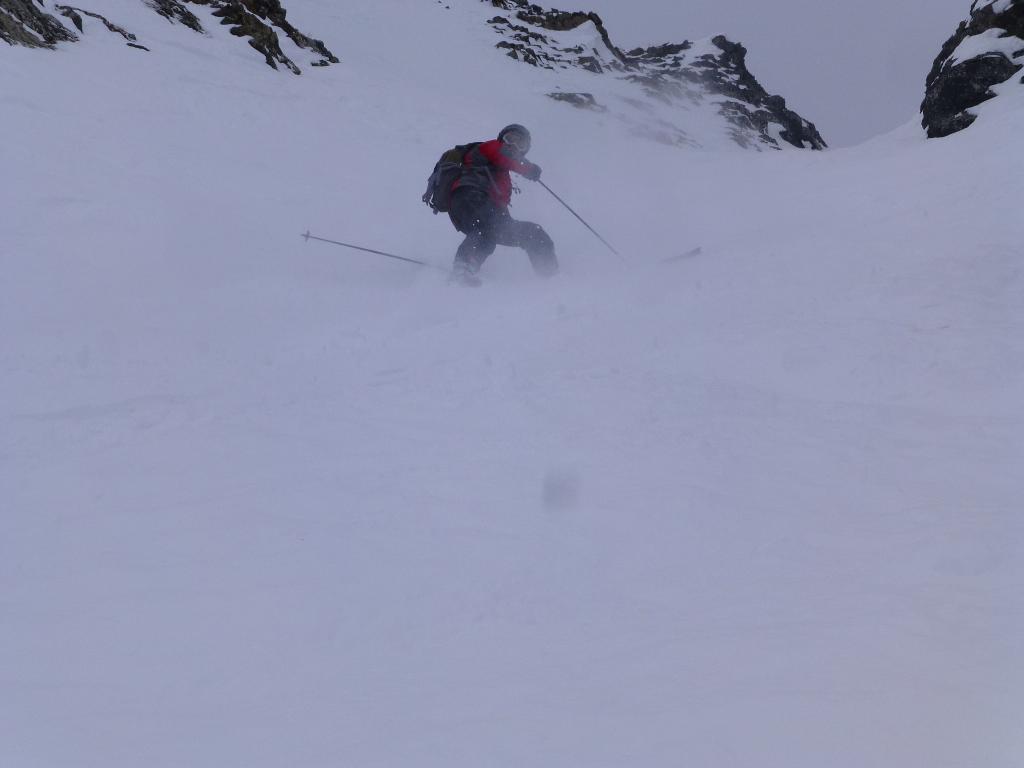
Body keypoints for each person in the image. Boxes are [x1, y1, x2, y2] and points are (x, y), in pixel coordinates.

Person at [447, 124, 558, 286]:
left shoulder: (502, 175)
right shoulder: (492, 147)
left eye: (520, 144)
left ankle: (550, 277)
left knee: (531, 234)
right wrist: (529, 168)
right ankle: (461, 268)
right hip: (470, 195)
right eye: (510, 139)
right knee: (484, 225)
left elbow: (498, 208)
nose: (513, 145)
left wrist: (507, 226)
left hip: (486, 208)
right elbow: (505, 154)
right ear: (502, 138)